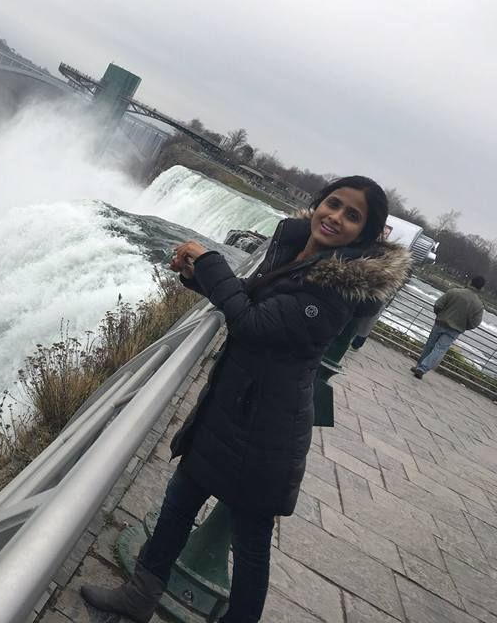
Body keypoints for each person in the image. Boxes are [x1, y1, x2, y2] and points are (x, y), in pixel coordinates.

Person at [80, 176, 411, 623]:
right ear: (317, 203)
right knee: (178, 504)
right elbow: (257, 302)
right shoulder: (299, 253)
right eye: (333, 204)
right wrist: (198, 277)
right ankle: (140, 595)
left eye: (352, 215)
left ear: (366, 234)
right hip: (234, 407)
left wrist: (210, 260)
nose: (336, 217)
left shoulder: (336, 289)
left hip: (266, 432)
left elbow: (253, 324)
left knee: (251, 545)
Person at [411, 276, 485, 379]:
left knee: (430, 345)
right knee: (439, 349)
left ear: (470, 282)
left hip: (441, 322)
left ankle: (419, 366)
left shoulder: (454, 292)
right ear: (481, 289)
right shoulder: (479, 305)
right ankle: (422, 368)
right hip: (455, 329)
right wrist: (464, 326)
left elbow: (438, 305)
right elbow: (475, 323)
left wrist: (439, 315)